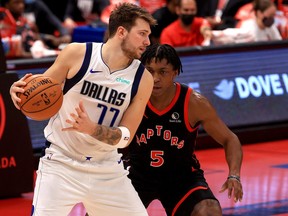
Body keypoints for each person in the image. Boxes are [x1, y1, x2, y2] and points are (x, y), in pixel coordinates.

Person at [9, 3, 156, 215]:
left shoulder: (143, 79)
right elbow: (37, 94)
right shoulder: (77, 54)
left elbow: (126, 137)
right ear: (121, 32)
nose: (147, 42)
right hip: (61, 164)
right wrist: (19, 93)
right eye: (142, 34)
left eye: (148, 35)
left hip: (107, 170)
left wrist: (91, 129)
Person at [121, 43, 243, 216]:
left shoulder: (194, 103)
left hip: (181, 178)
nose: (155, 78)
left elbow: (229, 139)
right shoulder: (131, 97)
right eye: (149, 71)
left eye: (162, 72)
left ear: (175, 72)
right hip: (137, 175)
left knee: (209, 211)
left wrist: (234, 175)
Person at [212, 0, 282, 45]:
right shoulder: (248, 27)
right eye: (270, 15)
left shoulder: (271, 27)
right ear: (259, 13)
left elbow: (279, 43)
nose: (272, 19)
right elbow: (232, 34)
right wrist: (213, 34)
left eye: (273, 16)